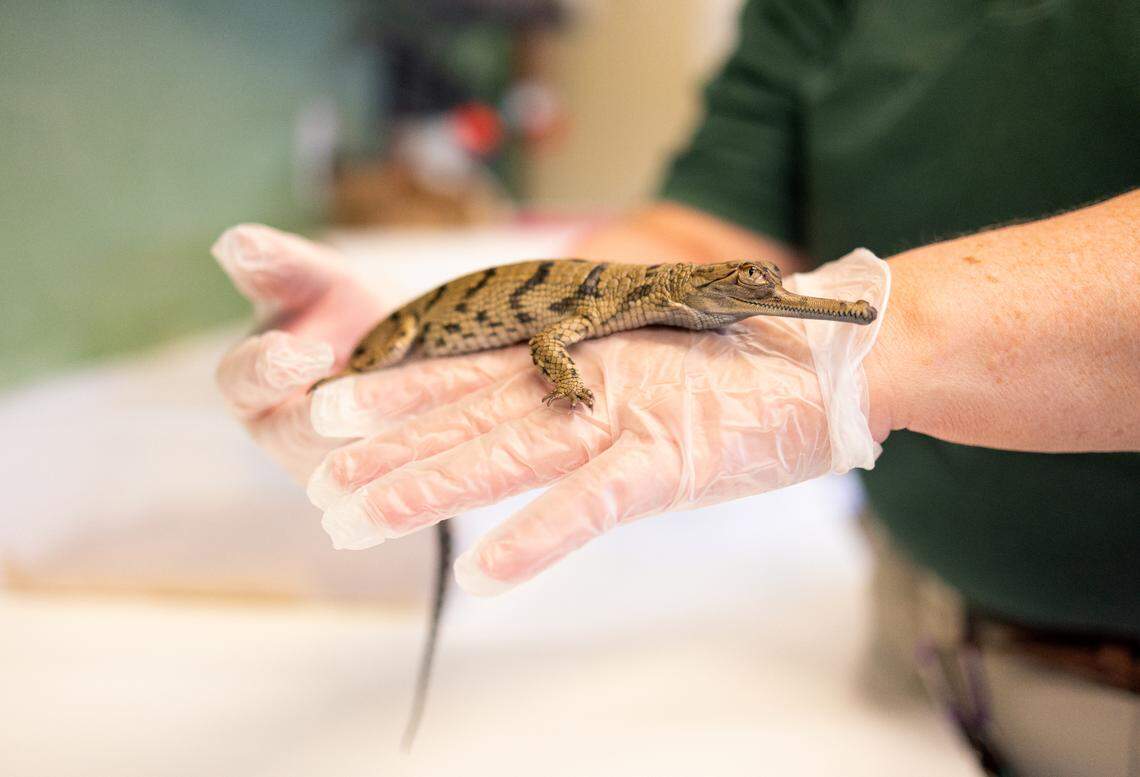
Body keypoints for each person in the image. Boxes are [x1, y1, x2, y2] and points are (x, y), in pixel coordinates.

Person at [214, 2, 1139, 774]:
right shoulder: (642, 287)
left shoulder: (663, 302)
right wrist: (378, 355)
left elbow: (662, 297)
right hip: (925, 630)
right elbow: (694, 238)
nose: (774, 302)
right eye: (749, 295)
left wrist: (884, 342)